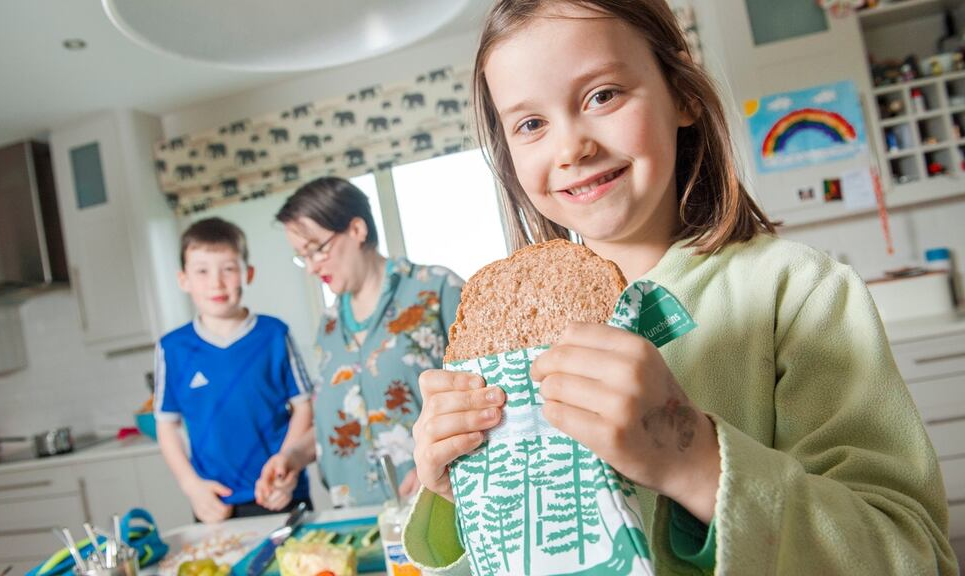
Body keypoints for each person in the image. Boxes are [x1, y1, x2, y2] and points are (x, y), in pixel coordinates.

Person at [404, 1, 957, 573]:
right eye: (531, 124)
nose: (571, 149)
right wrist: (465, 495)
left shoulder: (799, 292)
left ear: (683, 94)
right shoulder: (508, 343)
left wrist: (691, 456)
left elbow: (912, 554)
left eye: (603, 95)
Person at [268, 177, 463, 508]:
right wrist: (292, 456)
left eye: (317, 249)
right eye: (303, 256)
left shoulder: (436, 289)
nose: (312, 267)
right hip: (356, 515)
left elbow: (483, 392)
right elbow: (339, 419)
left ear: (356, 230)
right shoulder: (328, 326)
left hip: (437, 503)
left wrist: (442, 457)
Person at [155, 217, 314, 523]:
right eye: (202, 271)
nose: (216, 282)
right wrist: (192, 488)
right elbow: (167, 426)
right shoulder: (171, 348)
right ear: (183, 279)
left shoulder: (274, 334)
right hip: (214, 502)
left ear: (247, 273)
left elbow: (303, 407)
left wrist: (286, 466)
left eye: (228, 269)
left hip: (280, 493)